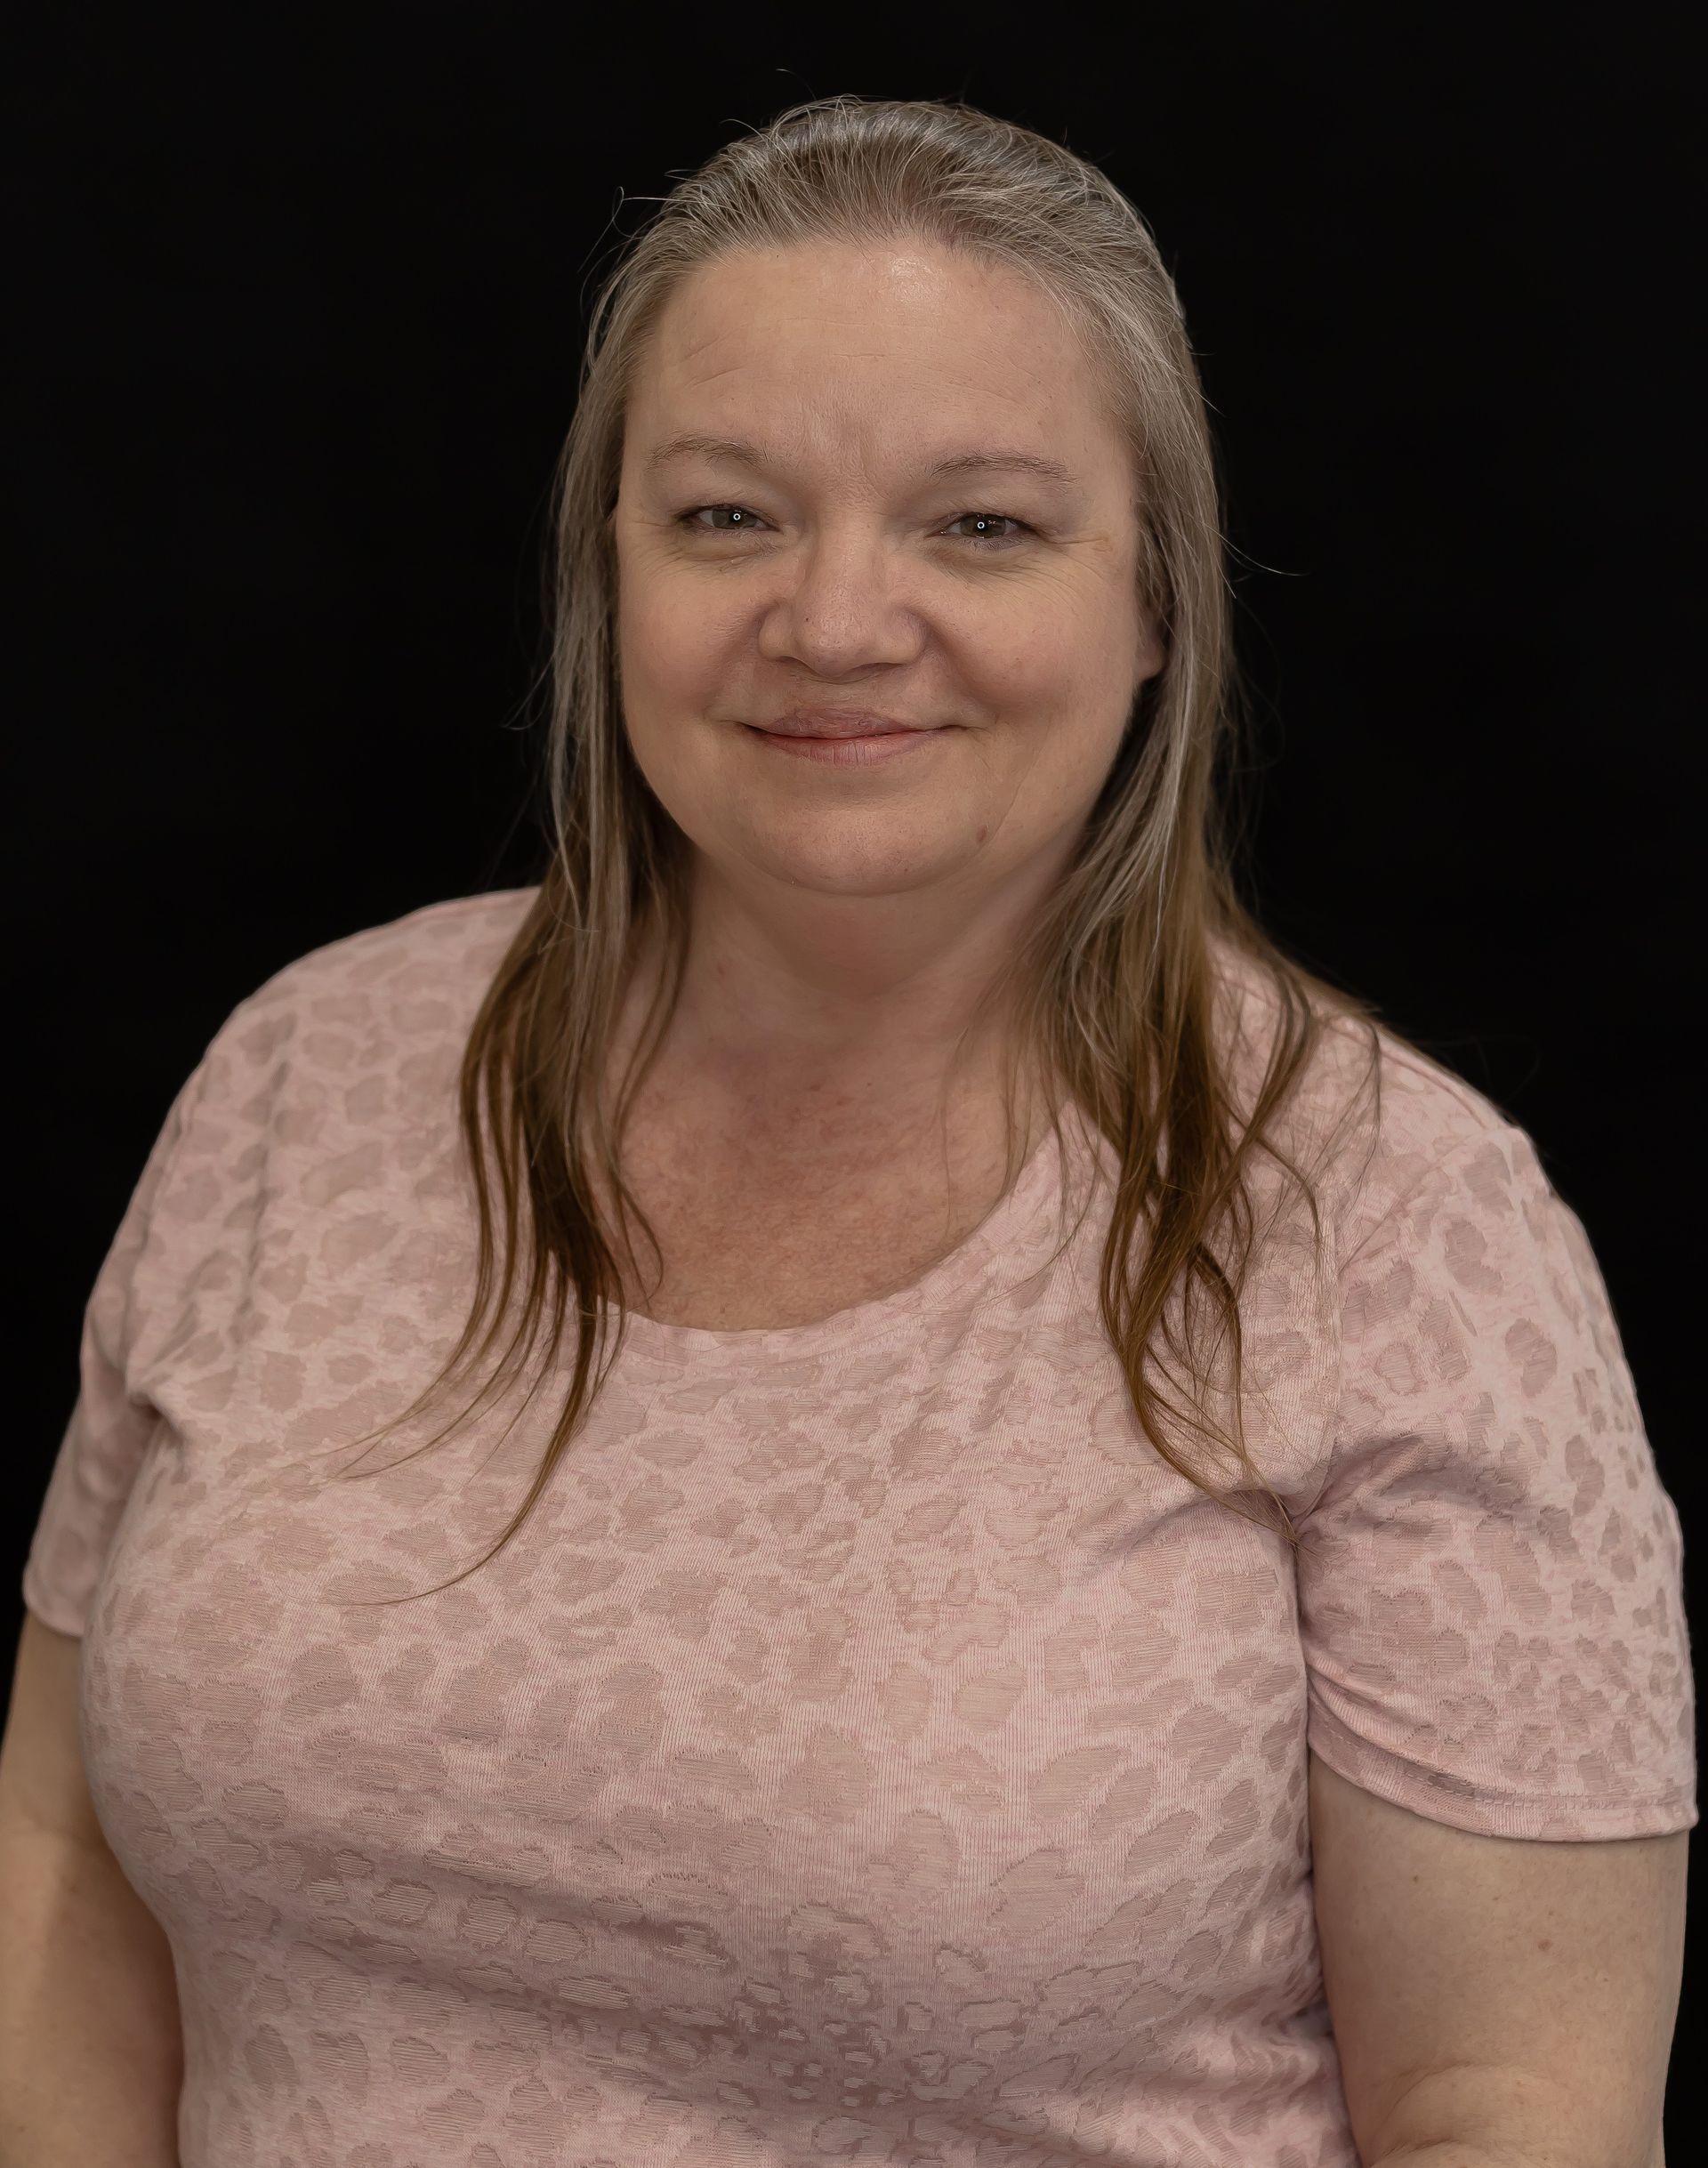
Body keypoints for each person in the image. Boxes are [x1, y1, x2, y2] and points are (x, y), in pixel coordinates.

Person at [1, 93, 1690, 2168]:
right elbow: (57, 1852)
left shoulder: (1404, 1229)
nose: (834, 619)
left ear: (1156, 604)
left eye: (980, 526)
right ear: (607, 570)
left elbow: (1510, 2110)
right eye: (728, 516)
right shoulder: (304, 1073)